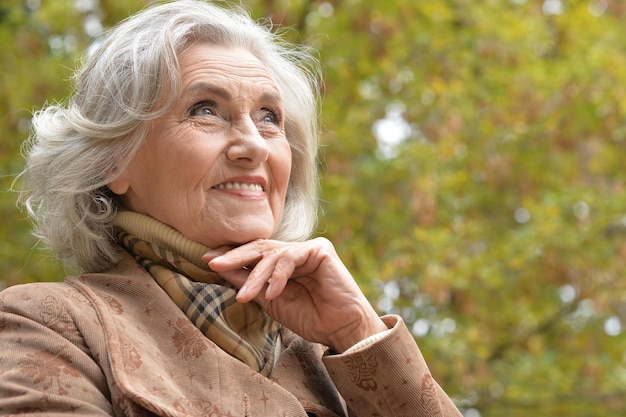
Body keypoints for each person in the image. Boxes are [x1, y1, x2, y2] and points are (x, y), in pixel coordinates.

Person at [0, 1, 462, 415]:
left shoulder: (336, 356)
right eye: (205, 109)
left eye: (269, 118)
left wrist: (357, 330)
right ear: (113, 160)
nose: (253, 146)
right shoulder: (46, 325)